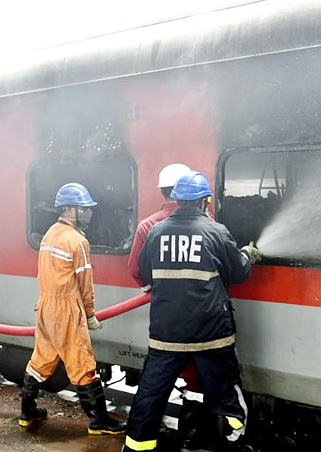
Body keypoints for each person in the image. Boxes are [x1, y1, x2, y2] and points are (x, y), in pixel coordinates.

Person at [122, 171, 263, 452]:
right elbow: (237, 272)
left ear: (177, 200)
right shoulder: (215, 231)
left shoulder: (155, 232)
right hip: (210, 333)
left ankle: (137, 446)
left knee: (151, 393)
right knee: (225, 389)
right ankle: (235, 439)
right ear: (204, 202)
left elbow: (145, 272)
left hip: (166, 333)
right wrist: (247, 255)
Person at [20, 182, 126, 435]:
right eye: (83, 208)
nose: (88, 213)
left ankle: (27, 412)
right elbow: (85, 284)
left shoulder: (49, 235)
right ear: (68, 210)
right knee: (82, 363)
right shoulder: (76, 241)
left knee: (41, 359)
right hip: (67, 309)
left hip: (45, 305)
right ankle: (99, 421)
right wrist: (89, 314)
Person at [127, 163, 213, 447]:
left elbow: (137, 269)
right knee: (196, 379)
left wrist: (155, 288)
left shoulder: (148, 226)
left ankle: (140, 443)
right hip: (201, 317)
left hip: (165, 319)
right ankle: (191, 438)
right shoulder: (207, 223)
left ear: (166, 192)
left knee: (155, 384)